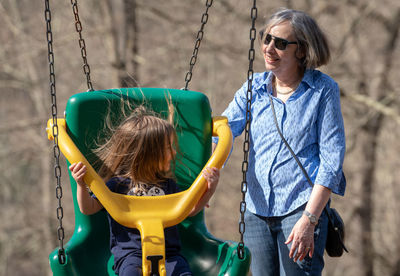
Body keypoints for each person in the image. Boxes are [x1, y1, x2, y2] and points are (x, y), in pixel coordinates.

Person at [212, 8, 346, 276]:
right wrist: (208, 172)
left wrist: (310, 219)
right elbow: (224, 132)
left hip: (301, 209)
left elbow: (332, 161)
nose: (269, 48)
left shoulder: (323, 90)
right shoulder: (254, 87)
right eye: (266, 38)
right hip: (255, 211)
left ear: (302, 50)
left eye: (281, 43)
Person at [69, 106, 220, 276]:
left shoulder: (167, 185)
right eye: (168, 148)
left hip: (169, 254)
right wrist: (81, 185)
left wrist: (209, 189)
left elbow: (189, 211)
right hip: (131, 255)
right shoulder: (117, 186)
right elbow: (88, 208)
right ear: (148, 154)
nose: (174, 152)